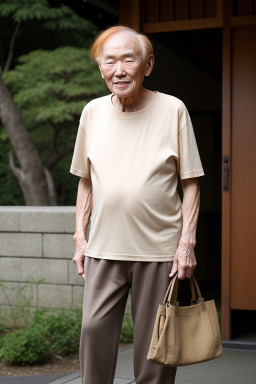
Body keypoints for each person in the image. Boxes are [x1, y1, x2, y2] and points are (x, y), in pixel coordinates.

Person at [70, 25, 204, 384]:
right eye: (109, 61)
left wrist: (186, 242)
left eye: (129, 59)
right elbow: (86, 179)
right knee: (93, 330)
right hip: (103, 248)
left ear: (148, 65)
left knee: (154, 352)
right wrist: (80, 237)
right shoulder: (93, 113)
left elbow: (190, 183)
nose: (119, 69)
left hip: (160, 250)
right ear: (100, 68)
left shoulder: (172, 109)